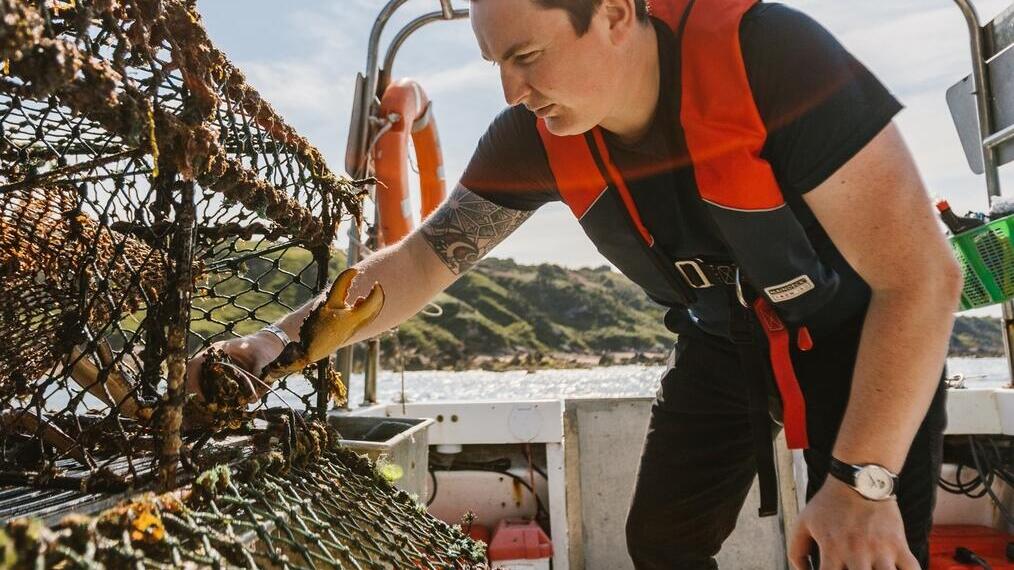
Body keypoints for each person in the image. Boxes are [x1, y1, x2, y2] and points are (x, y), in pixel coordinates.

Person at [187, 0, 962, 568]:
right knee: (661, 544)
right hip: (723, 340)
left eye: (527, 56)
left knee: (861, 554)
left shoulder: (774, 60)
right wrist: (273, 345)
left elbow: (924, 276)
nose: (511, 91)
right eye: (495, 64)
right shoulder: (532, 138)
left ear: (617, 12)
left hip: (861, 340)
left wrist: (862, 488)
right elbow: (423, 260)